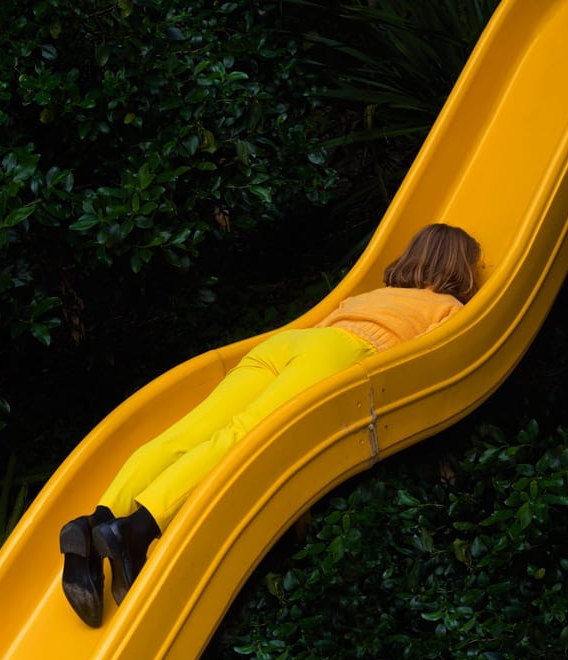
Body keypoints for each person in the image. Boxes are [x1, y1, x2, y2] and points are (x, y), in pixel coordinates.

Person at [60, 223, 482, 627]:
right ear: (460, 269)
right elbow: (433, 358)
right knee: (245, 437)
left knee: (190, 431)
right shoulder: (449, 307)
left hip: (288, 344)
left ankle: (97, 520)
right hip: (343, 351)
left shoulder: (373, 295)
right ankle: (137, 529)